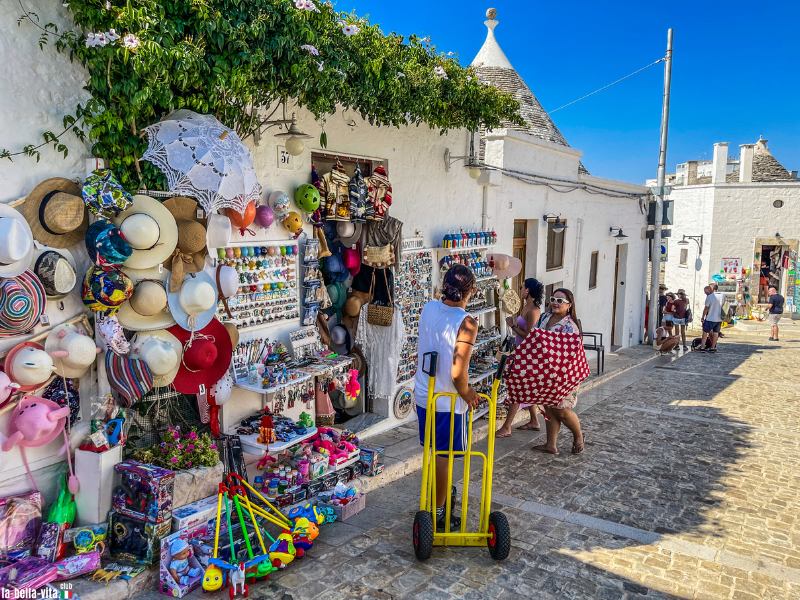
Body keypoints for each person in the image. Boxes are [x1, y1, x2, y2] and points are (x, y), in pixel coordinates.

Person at [414, 264, 480, 530]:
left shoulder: (429, 308)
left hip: (423, 394)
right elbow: (457, 373)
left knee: (433, 452)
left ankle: (438, 500)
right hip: (448, 401)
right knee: (445, 456)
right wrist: (470, 395)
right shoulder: (466, 322)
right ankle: (439, 510)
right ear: (471, 290)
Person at [532, 288, 586, 455]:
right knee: (549, 407)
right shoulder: (544, 317)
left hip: (565, 374)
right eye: (553, 298)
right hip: (546, 371)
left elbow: (571, 355)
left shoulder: (571, 327)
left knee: (561, 409)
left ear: (569, 305)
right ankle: (551, 444)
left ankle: (578, 436)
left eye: (560, 301)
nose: (555, 302)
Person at [497, 278, 544, 438]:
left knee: (518, 389)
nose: (521, 289)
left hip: (528, 355)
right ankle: (534, 421)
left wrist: (513, 326)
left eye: (523, 287)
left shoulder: (533, 311)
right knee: (525, 388)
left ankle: (507, 426)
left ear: (528, 291)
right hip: (520, 352)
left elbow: (530, 336)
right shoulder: (526, 307)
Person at [699, 284, 725, 352]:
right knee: (716, 333)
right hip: (719, 318)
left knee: (705, 332)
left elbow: (706, 309)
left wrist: (702, 317)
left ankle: (702, 347)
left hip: (710, 318)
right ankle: (713, 348)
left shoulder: (710, 297)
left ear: (712, 288)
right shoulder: (722, 295)